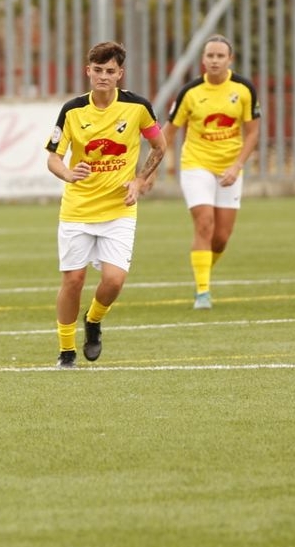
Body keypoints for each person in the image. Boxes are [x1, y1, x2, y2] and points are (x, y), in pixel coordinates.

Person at [45, 41, 165, 368]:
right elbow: (53, 158)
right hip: (77, 210)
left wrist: (140, 181)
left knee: (114, 280)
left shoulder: (138, 107)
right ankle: (66, 351)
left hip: (118, 209)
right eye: (97, 70)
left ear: (119, 74)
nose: (103, 76)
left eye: (109, 71)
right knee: (73, 281)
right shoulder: (72, 110)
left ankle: (94, 320)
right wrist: (68, 173)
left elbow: (159, 146)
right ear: (88, 71)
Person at [160, 35, 261, 309]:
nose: (215, 60)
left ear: (230, 59)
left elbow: (252, 133)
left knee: (221, 238)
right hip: (196, 165)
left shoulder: (243, 89)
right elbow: (168, 132)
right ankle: (203, 292)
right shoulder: (190, 92)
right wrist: (146, 172)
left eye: (220, 56)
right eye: (210, 56)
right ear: (203, 60)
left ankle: (202, 269)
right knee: (204, 223)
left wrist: (237, 164)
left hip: (229, 169)